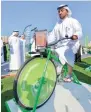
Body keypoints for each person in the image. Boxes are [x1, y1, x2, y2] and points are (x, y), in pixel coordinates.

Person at [47, 4, 82, 82]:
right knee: (53, 53)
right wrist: (47, 42)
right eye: (58, 11)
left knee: (68, 53)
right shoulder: (58, 24)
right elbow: (52, 35)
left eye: (61, 10)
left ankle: (69, 74)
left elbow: (79, 31)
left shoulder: (73, 21)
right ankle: (59, 72)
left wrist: (76, 35)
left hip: (72, 43)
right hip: (60, 44)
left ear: (67, 11)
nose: (59, 12)